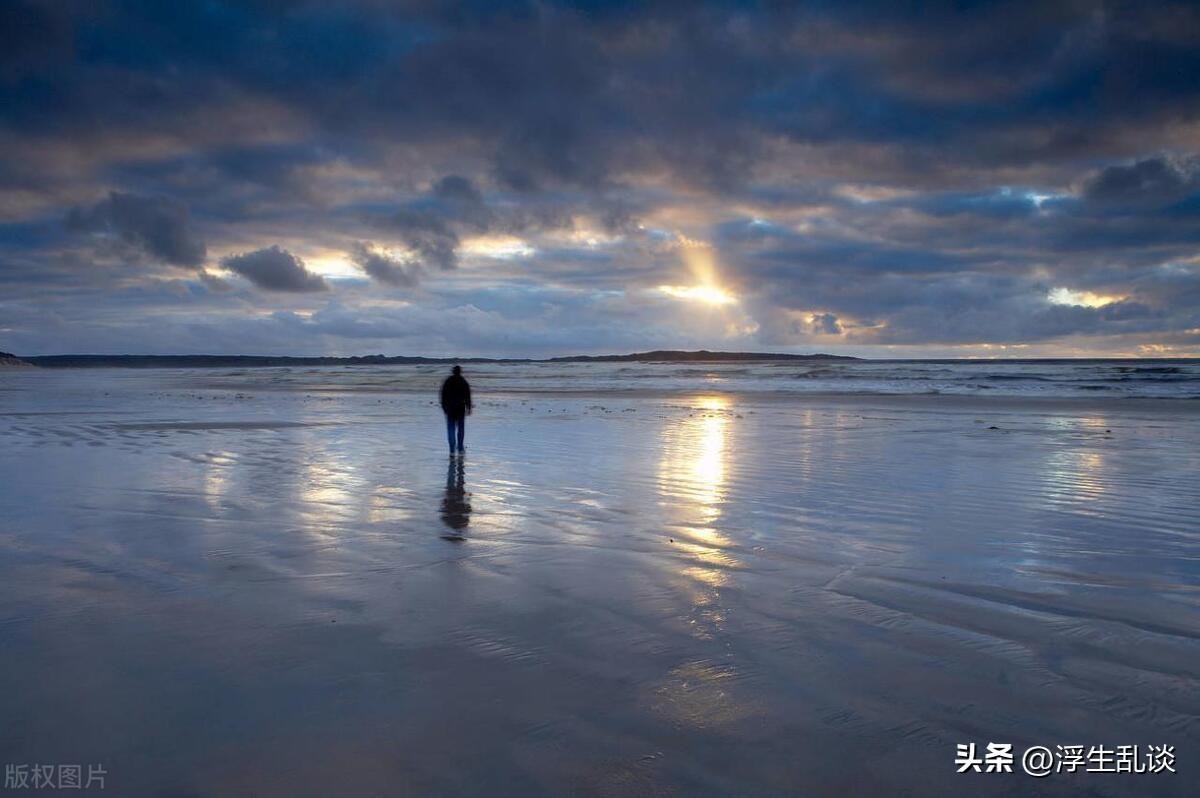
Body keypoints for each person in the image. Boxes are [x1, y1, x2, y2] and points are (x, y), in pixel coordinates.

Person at [439, 365, 472, 456]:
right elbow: (467, 396)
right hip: (460, 408)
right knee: (460, 429)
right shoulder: (463, 381)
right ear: (460, 372)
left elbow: (443, 395)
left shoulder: (448, 381)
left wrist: (444, 407)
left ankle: (452, 449)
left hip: (450, 409)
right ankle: (460, 447)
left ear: (453, 371)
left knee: (451, 429)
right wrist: (469, 408)